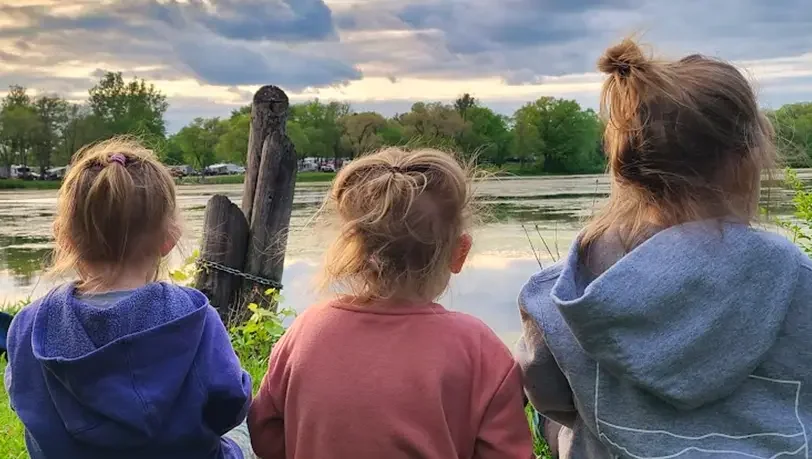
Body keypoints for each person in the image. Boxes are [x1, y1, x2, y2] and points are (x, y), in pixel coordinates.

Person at [517, 38, 812, 458]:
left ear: (627, 167)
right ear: (747, 160)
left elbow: (547, 395)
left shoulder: (560, 297)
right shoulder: (799, 282)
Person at [248, 147, 533, 459]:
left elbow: (265, 435)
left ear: (353, 250)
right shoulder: (478, 347)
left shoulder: (305, 330)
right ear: (459, 252)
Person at [4, 138, 252, 459]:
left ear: (64, 239)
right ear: (170, 238)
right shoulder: (195, 316)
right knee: (244, 432)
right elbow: (231, 404)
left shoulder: (29, 325)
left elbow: (23, 397)